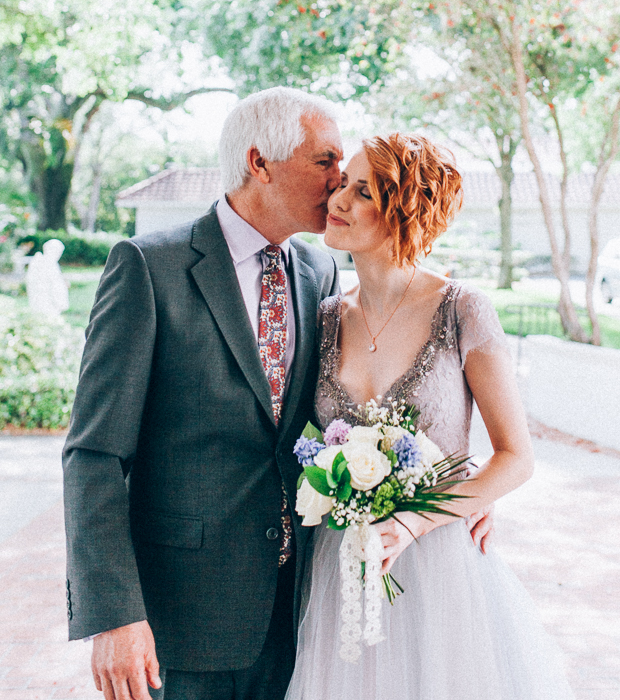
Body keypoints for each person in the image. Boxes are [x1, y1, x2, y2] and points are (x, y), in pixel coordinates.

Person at [63, 87, 345, 700]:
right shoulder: (147, 268)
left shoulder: (321, 273)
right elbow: (95, 455)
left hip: (295, 617)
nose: (341, 178)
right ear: (259, 162)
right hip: (178, 624)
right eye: (324, 160)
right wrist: (113, 615)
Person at [285, 133, 575, 700]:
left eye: (362, 192)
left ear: (404, 211)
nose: (338, 200)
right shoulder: (322, 317)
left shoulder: (463, 309)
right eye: (344, 184)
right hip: (342, 568)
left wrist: (416, 520)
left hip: (439, 569)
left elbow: (515, 456)